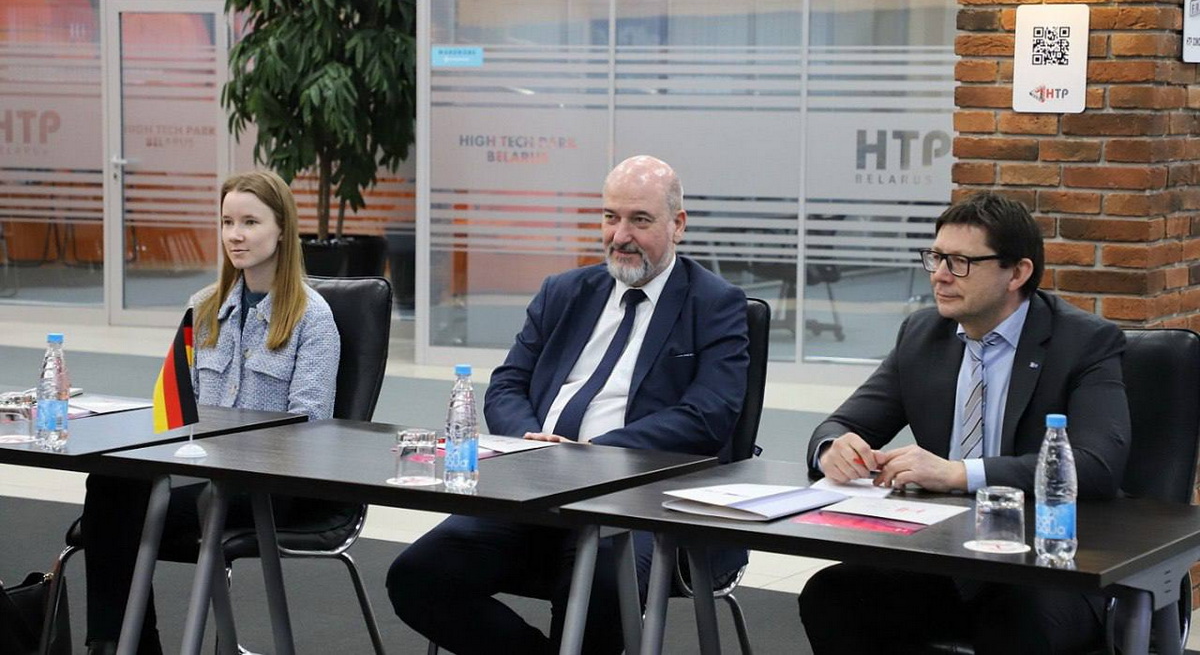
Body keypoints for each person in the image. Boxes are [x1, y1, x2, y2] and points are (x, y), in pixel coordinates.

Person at [387, 155, 750, 654]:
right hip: (537, 489)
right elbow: (508, 384)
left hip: (640, 500)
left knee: (600, 585)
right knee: (418, 576)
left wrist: (591, 453)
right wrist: (536, 446)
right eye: (610, 217)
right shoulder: (565, 291)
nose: (620, 236)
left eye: (640, 220)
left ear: (678, 225)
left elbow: (709, 416)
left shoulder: (715, 303)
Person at [798, 191, 1130, 655]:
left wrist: (958, 474)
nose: (939, 274)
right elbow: (842, 424)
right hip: (952, 557)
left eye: (960, 262)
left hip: (1054, 567)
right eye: (935, 257)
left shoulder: (1084, 342)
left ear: (1017, 273)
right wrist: (834, 448)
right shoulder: (923, 334)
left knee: (1016, 620)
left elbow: (1096, 465)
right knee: (832, 596)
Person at [81, 170, 340, 654]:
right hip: (202, 469)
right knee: (112, 485)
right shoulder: (202, 307)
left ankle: (123, 646)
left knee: (118, 514)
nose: (235, 235)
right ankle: (119, 645)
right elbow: (176, 408)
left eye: (250, 223)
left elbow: (310, 430)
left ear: (283, 229)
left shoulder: (313, 317)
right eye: (227, 222)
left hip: (269, 485)